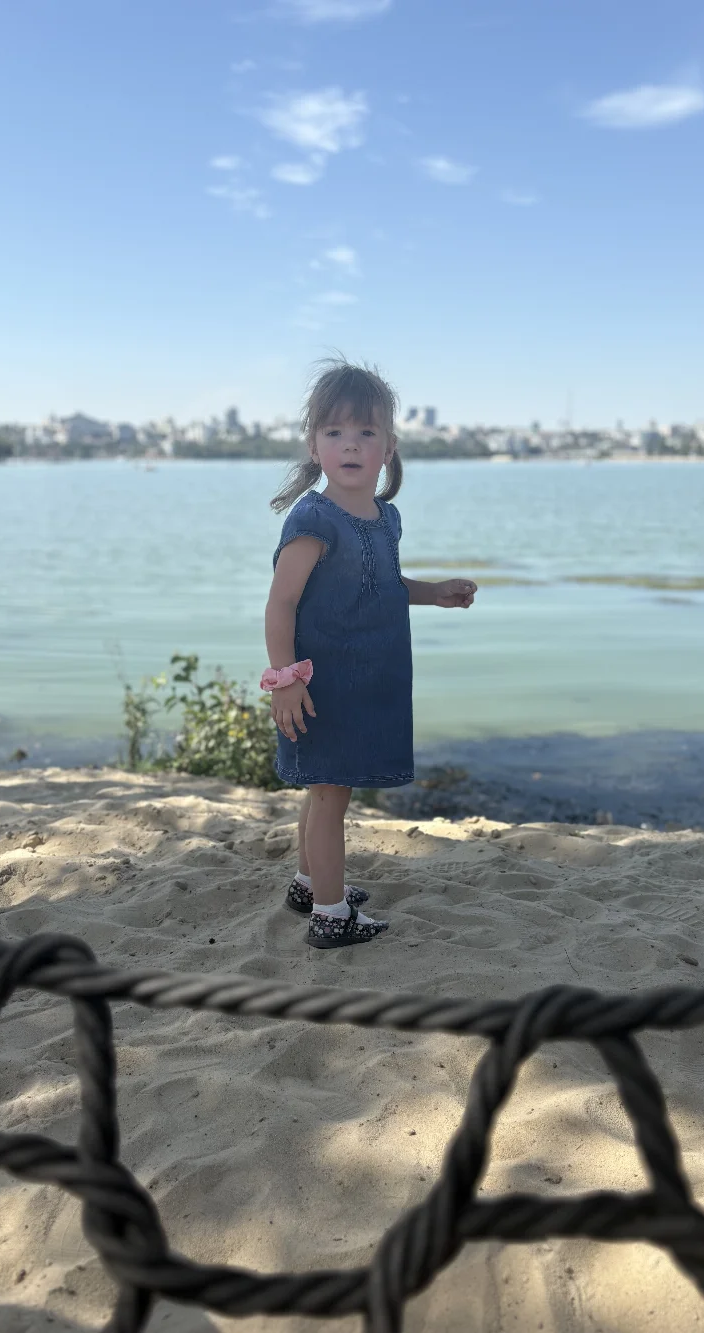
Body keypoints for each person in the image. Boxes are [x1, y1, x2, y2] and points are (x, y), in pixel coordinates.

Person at [262, 360, 478, 949]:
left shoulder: (386, 518)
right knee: (329, 796)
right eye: (334, 432)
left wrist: (435, 593)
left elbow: (382, 586)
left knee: (326, 790)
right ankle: (331, 916)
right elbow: (281, 603)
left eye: (366, 432)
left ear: (389, 447)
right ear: (314, 446)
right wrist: (285, 679)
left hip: (370, 679)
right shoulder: (314, 518)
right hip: (323, 683)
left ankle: (309, 885)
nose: (351, 444)